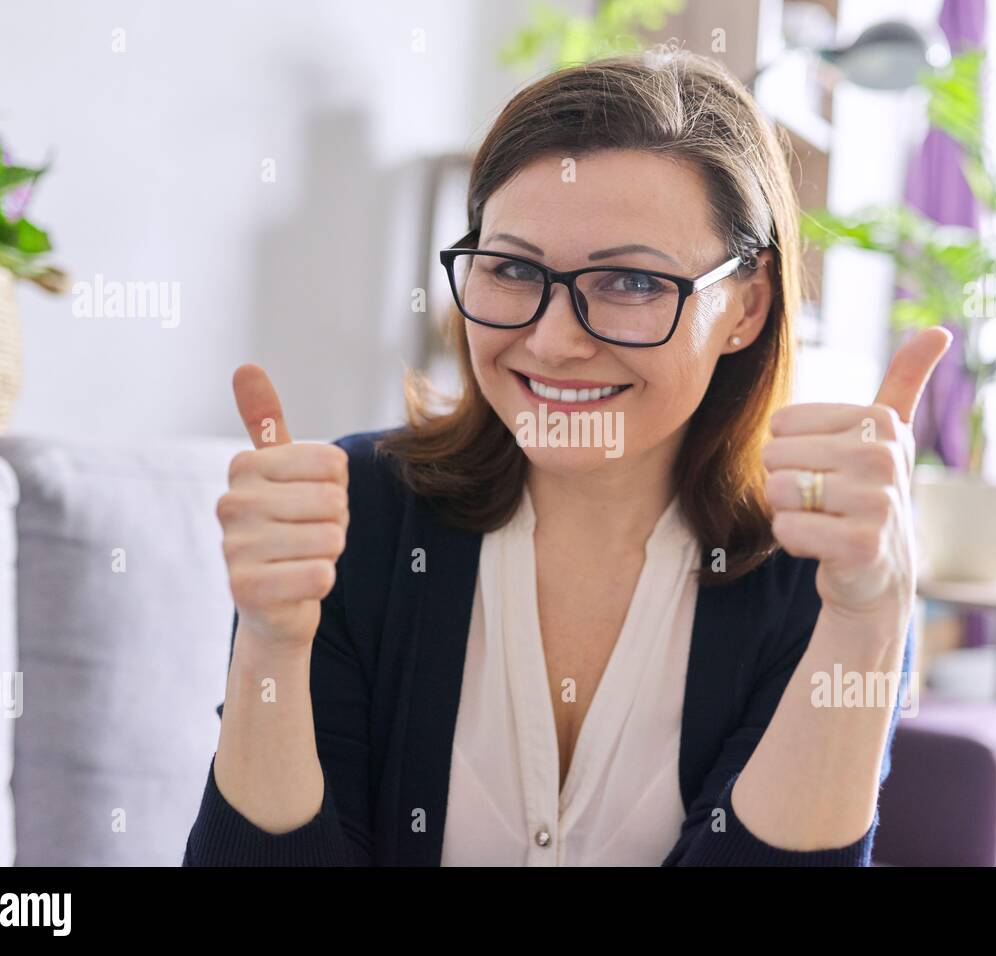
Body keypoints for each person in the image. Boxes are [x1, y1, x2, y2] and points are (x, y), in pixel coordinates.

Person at [184, 46, 950, 867]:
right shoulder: (355, 518)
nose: (552, 342)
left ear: (746, 307)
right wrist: (268, 643)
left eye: (630, 283)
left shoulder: (823, 570)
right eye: (513, 268)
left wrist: (867, 625)